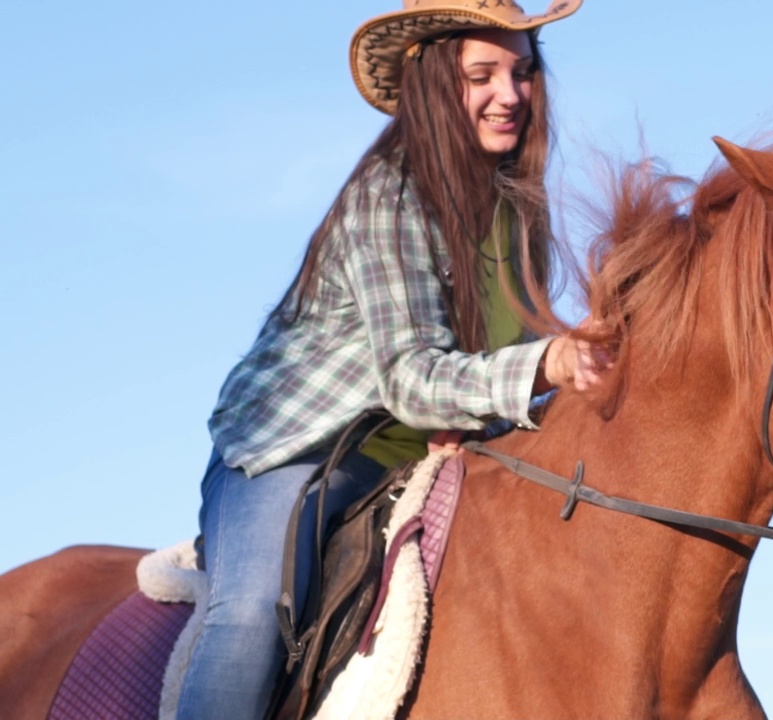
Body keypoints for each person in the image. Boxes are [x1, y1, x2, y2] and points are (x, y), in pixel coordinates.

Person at [176, 1, 597, 718]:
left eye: (523, 72)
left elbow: (508, 374)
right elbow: (413, 379)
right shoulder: (389, 197)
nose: (511, 95)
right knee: (249, 613)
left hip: (428, 452)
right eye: (483, 74)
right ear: (434, 81)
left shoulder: (516, 209)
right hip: (300, 449)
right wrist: (545, 366)